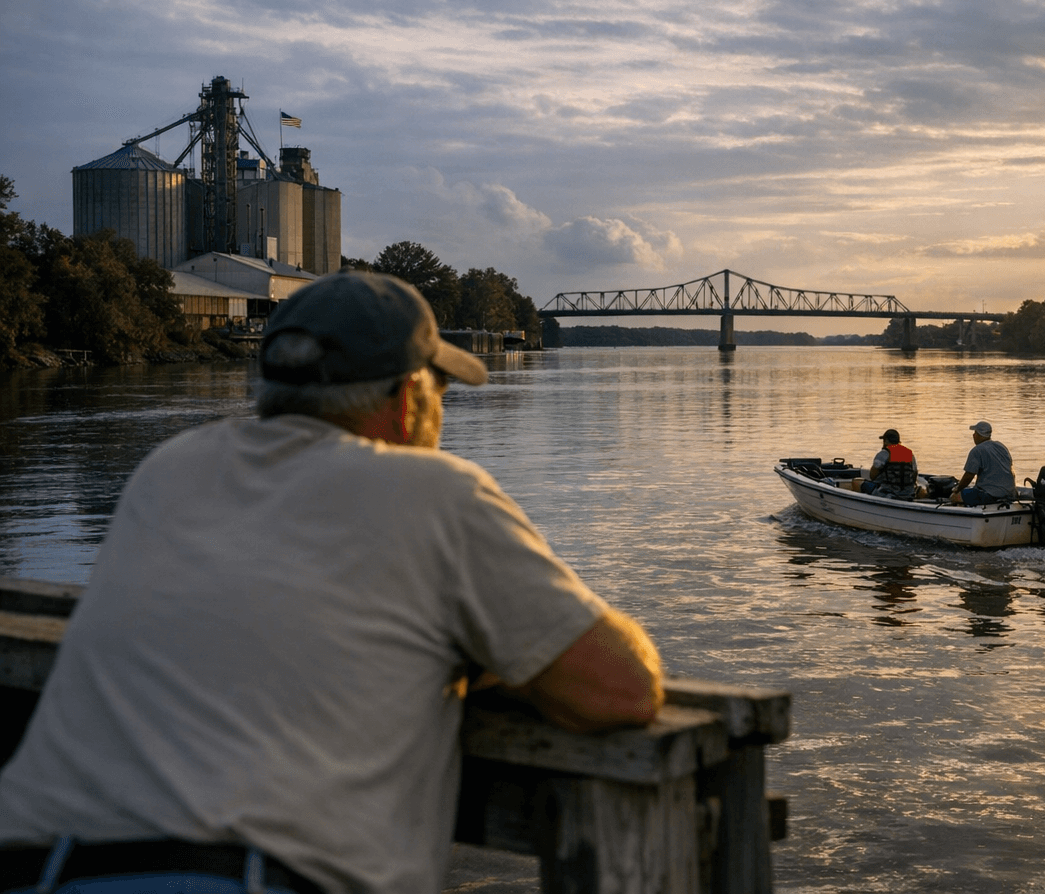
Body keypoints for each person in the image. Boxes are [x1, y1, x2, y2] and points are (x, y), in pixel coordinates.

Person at [0, 271, 664, 894]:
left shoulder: (171, 468)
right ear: (409, 401)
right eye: (442, 392)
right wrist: (489, 656)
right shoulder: (436, 494)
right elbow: (620, 691)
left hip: (34, 868)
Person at [949, 420, 1017, 505]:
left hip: (990, 495)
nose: (973, 435)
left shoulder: (977, 450)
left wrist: (957, 489)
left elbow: (969, 476)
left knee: (954, 497)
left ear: (979, 435)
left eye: (975, 433)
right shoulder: (1001, 447)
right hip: (1010, 494)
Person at [860, 428, 918, 500]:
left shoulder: (884, 453)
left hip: (888, 494)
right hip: (908, 494)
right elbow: (914, 474)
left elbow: (872, 476)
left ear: (886, 441)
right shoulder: (909, 454)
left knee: (860, 484)